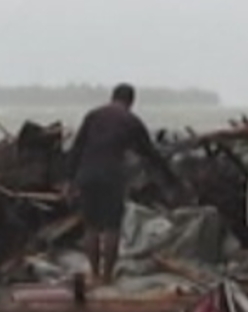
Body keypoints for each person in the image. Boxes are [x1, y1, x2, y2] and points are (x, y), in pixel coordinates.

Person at [66, 83, 181, 286]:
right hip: (111, 176)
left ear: (112, 97)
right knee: (111, 227)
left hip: (87, 174)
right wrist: (171, 180)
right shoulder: (131, 121)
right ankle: (107, 277)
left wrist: (68, 180)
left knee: (91, 226)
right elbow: (151, 154)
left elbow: (76, 148)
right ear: (131, 101)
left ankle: (94, 274)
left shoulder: (92, 115)